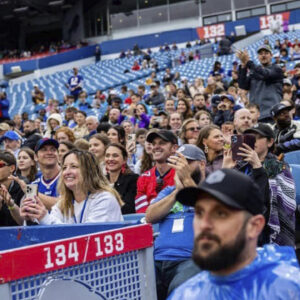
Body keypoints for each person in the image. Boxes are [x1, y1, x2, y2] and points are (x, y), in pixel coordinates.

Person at [168, 169, 300, 300]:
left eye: (220, 214)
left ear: (254, 226)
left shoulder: (288, 289)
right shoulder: (185, 294)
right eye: (199, 213)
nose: (203, 225)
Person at [146, 145, 206, 300]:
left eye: (186, 163)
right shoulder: (169, 191)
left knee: (178, 291)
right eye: (178, 164)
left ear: (202, 164)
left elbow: (208, 211)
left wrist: (187, 179)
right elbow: (150, 216)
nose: (181, 168)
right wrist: (177, 192)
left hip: (190, 259)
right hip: (158, 258)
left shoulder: (212, 189)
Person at [21, 150, 123, 224]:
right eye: (64, 167)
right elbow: (50, 230)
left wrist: (44, 217)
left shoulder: (104, 199)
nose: (67, 172)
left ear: (89, 171)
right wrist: (33, 217)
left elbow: (88, 238)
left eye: (74, 166)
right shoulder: (64, 202)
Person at [243, 123, 296, 246]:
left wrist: (257, 166)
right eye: (249, 137)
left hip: (267, 230)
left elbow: (271, 202)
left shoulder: (278, 165)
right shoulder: (241, 165)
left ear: (270, 142)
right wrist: (227, 168)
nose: (252, 141)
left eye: (257, 137)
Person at [237, 45, 284, 122]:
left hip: (272, 114)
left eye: (266, 53)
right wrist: (243, 65)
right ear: (258, 56)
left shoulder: (276, 68)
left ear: (271, 55)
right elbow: (242, 85)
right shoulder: (254, 71)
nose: (263, 55)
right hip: (256, 116)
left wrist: (248, 62)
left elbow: (265, 74)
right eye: (261, 53)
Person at [135, 130, 177, 213]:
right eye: (153, 144)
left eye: (162, 143)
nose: (155, 147)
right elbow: (141, 213)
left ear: (174, 148)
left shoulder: (182, 174)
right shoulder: (143, 178)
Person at [105, 143, 138, 214]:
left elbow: (129, 209)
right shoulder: (101, 181)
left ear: (124, 160)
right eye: (107, 155)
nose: (110, 159)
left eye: (115, 156)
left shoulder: (133, 179)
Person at [32, 138, 61, 210]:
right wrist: (11, 205)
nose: (49, 153)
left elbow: (64, 206)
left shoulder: (68, 178)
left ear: (58, 155)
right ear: (35, 157)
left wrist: (33, 193)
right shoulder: (33, 185)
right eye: (44, 150)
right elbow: (26, 218)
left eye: (53, 149)